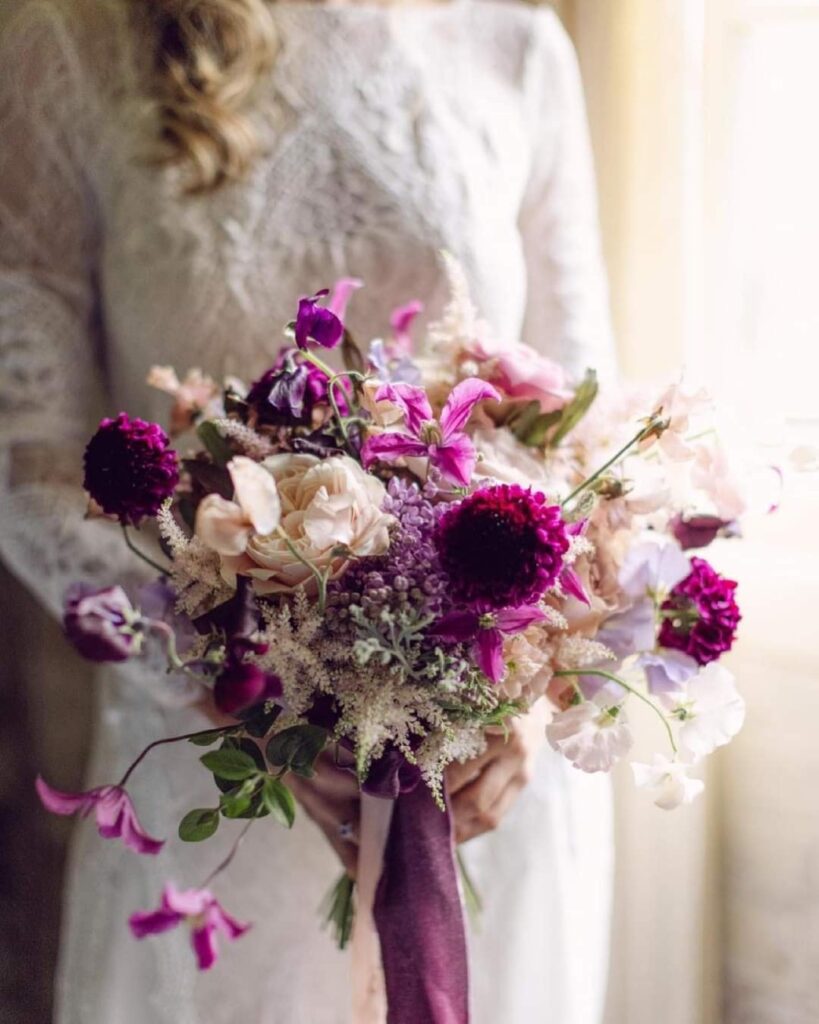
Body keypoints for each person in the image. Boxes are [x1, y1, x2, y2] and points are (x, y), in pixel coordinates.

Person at [0, 0, 615, 1020]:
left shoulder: (517, 44)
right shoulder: (69, 40)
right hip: (221, 778)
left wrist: (536, 700)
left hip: (484, 773)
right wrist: (228, 668)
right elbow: (26, 458)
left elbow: (585, 423)